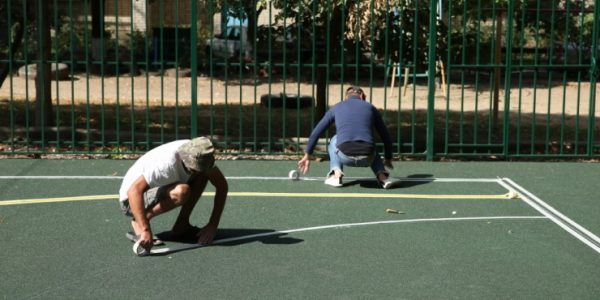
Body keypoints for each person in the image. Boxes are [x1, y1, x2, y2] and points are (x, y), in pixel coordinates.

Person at [118, 136, 228, 253]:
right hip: (130, 201)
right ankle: (139, 221)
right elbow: (134, 191)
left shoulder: (200, 152)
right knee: (182, 191)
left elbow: (222, 186)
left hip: (151, 189)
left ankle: (182, 225)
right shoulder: (165, 165)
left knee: (202, 175)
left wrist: (213, 225)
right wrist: (145, 230)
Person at [298, 86, 397, 188]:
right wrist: (388, 158)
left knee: (334, 139)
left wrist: (307, 154)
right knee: (369, 143)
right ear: (362, 96)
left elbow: (317, 131)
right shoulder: (370, 107)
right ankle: (383, 178)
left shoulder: (337, 107)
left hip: (345, 156)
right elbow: (385, 135)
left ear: (346, 98)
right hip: (368, 157)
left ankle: (336, 175)